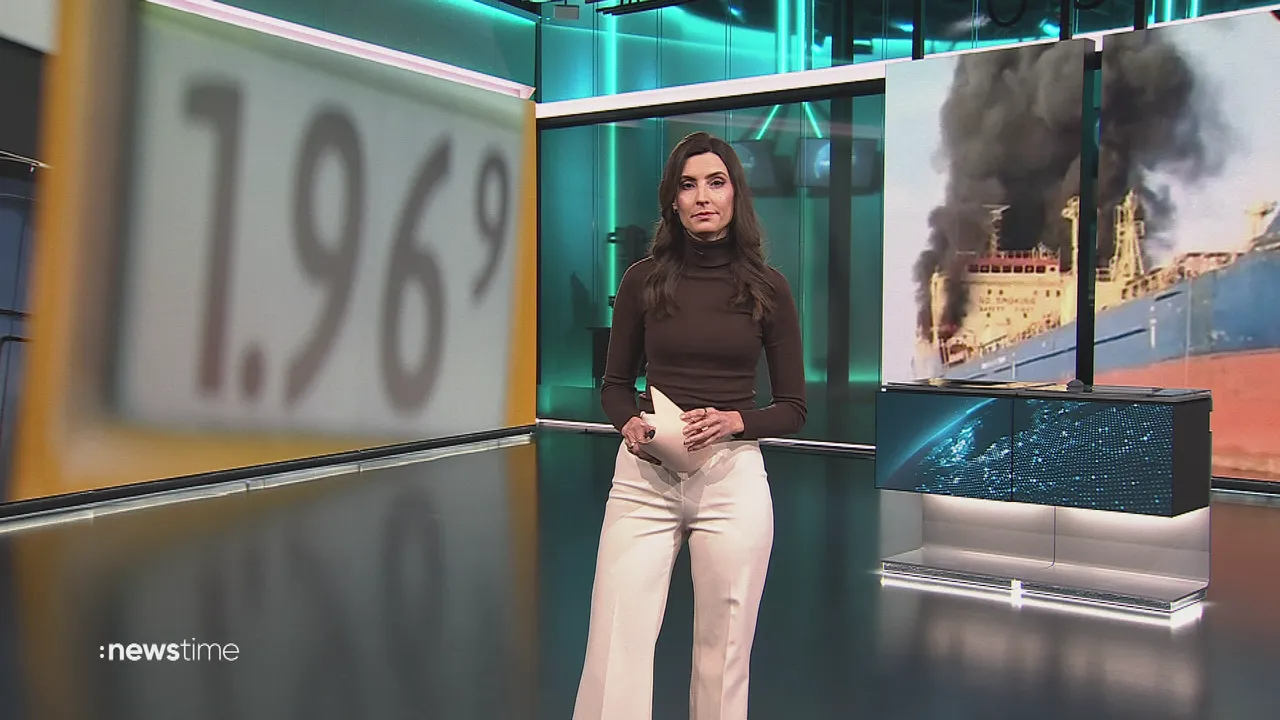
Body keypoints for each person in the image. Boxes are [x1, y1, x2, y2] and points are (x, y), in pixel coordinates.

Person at [573, 131, 806, 720]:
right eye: (688, 184)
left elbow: (794, 407)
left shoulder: (769, 288)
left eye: (715, 182)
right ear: (673, 201)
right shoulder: (642, 280)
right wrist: (629, 423)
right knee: (616, 640)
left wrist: (735, 421)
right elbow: (615, 385)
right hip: (644, 478)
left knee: (724, 654)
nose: (702, 196)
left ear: (735, 195)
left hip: (733, 478)